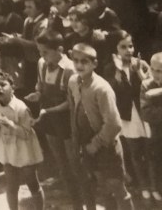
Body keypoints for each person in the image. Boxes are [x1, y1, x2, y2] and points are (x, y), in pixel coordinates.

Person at [68, 43, 134, 210]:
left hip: (106, 146)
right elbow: (73, 111)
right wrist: (78, 142)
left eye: (84, 61)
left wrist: (95, 144)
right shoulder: (73, 81)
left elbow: (114, 124)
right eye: (75, 60)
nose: (79, 65)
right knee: (102, 189)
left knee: (117, 188)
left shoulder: (102, 88)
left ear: (94, 64)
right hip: (86, 143)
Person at [25, 30, 81, 206]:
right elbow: (40, 87)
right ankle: (70, 194)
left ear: (60, 50)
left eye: (45, 52)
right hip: (48, 116)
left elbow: (71, 103)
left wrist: (49, 111)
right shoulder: (41, 63)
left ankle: (81, 197)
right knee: (59, 158)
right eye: (39, 52)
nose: (42, 56)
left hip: (66, 118)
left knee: (74, 160)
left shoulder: (70, 69)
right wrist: (37, 95)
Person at [103, 31, 154, 201]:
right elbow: (111, 94)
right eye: (123, 47)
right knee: (135, 153)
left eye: (130, 46)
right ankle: (143, 185)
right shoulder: (110, 69)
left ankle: (154, 186)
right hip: (128, 116)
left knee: (151, 152)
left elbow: (152, 86)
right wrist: (117, 78)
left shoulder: (142, 64)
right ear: (115, 49)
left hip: (144, 113)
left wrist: (140, 72)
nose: (128, 50)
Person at [0, 69, 45, 210]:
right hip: (7, 148)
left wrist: (11, 125)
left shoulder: (21, 108)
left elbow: (26, 133)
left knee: (32, 183)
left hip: (25, 149)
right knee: (11, 185)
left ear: (13, 87)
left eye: (3, 84)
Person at [139, 52, 162, 202]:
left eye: (161, 70)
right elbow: (146, 113)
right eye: (155, 70)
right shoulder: (146, 85)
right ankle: (156, 189)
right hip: (156, 132)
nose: (157, 74)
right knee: (155, 160)